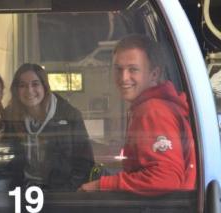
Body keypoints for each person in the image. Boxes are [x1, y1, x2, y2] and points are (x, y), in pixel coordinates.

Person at [78, 34, 196, 195]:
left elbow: (166, 178)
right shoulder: (154, 106)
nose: (123, 78)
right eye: (118, 69)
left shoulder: (153, 111)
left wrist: (101, 185)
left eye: (133, 69)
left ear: (154, 74)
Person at [4, 63, 95, 192]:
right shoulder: (11, 115)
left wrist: (65, 193)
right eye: (22, 85)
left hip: (58, 194)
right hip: (22, 191)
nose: (29, 90)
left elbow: (85, 163)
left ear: (45, 87)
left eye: (35, 84)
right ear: (16, 90)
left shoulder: (69, 115)